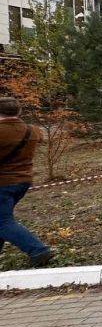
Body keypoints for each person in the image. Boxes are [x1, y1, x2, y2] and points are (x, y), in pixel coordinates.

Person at [0, 97, 52, 267]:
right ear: (19, 111)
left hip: (3, 183)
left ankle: (38, 250)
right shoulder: (33, 131)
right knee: (2, 219)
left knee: (3, 221)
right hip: (23, 181)